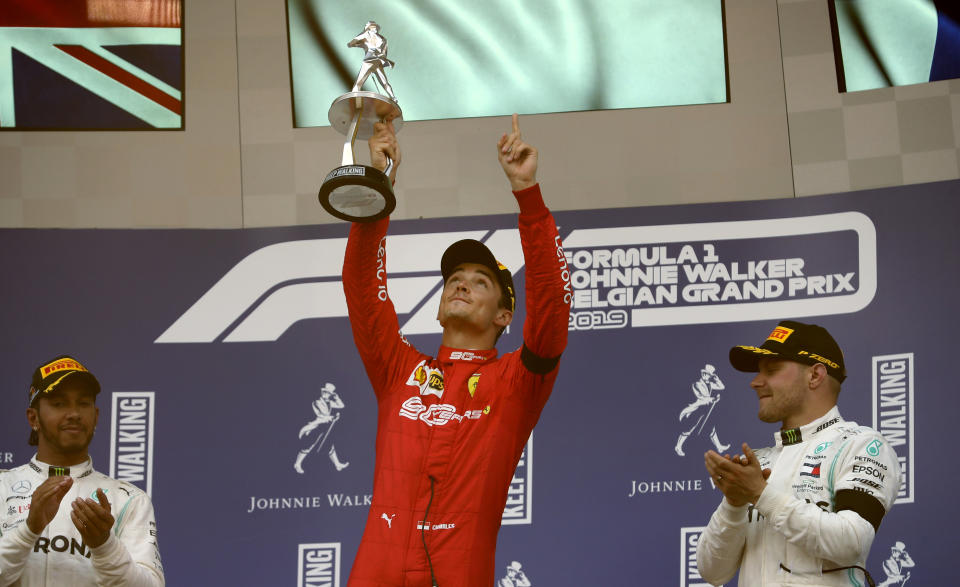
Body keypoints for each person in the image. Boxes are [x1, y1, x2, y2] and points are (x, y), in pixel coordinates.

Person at [341, 114, 570, 586]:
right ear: (440, 309)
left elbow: (551, 309)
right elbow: (363, 288)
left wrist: (528, 195)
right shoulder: (397, 369)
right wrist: (379, 188)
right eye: (454, 280)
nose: (462, 284)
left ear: (504, 316)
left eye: (480, 281)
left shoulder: (516, 383)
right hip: (375, 572)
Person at [696, 321, 900, 586]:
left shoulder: (860, 445)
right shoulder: (760, 463)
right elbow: (713, 572)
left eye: (772, 369)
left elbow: (853, 541)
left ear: (815, 376)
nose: (756, 382)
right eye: (759, 372)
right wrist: (734, 503)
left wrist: (761, 494)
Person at [0, 355, 164, 586]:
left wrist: (105, 546)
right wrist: (29, 530)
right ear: (33, 418)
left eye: (83, 403)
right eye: (59, 403)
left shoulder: (130, 500)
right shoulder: (2, 488)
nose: (74, 413)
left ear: (96, 416)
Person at [294, 382, 349, 473]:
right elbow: (322, 415)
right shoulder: (317, 402)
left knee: (329, 445)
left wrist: (336, 398)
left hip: (326, 426)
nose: (325, 394)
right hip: (317, 425)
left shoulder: (330, 403)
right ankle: (297, 464)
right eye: (324, 392)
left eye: (327, 393)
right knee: (309, 444)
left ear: (330, 395)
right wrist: (332, 417)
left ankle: (337, 465)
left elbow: (341, 406)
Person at [675, 364, 729, 456]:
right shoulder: (697, 384)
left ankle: (719, 447)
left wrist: (716, 379)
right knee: (689, 428)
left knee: (712, 428)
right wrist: (713, 399)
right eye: (703, 373)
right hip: (698, 409)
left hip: (707, 409)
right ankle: (678, 446)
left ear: (710, 376)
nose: (704, 375)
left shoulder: (711, 384)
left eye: (707, 374)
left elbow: (722, 387)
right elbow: (703, 398)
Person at [348, 21, 397, 101]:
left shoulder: (382, 39)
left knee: (384, 82)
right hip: (369, 61)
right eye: (373, 27)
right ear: (369, 28)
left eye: (375, 27)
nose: (375, 28)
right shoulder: (365, 35)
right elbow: (355, 40)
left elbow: (384, 52)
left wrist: (382, 57)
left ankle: (393, 97)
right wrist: (353, 44)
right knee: (359, 82)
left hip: (378, 61)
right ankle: (354, 98)